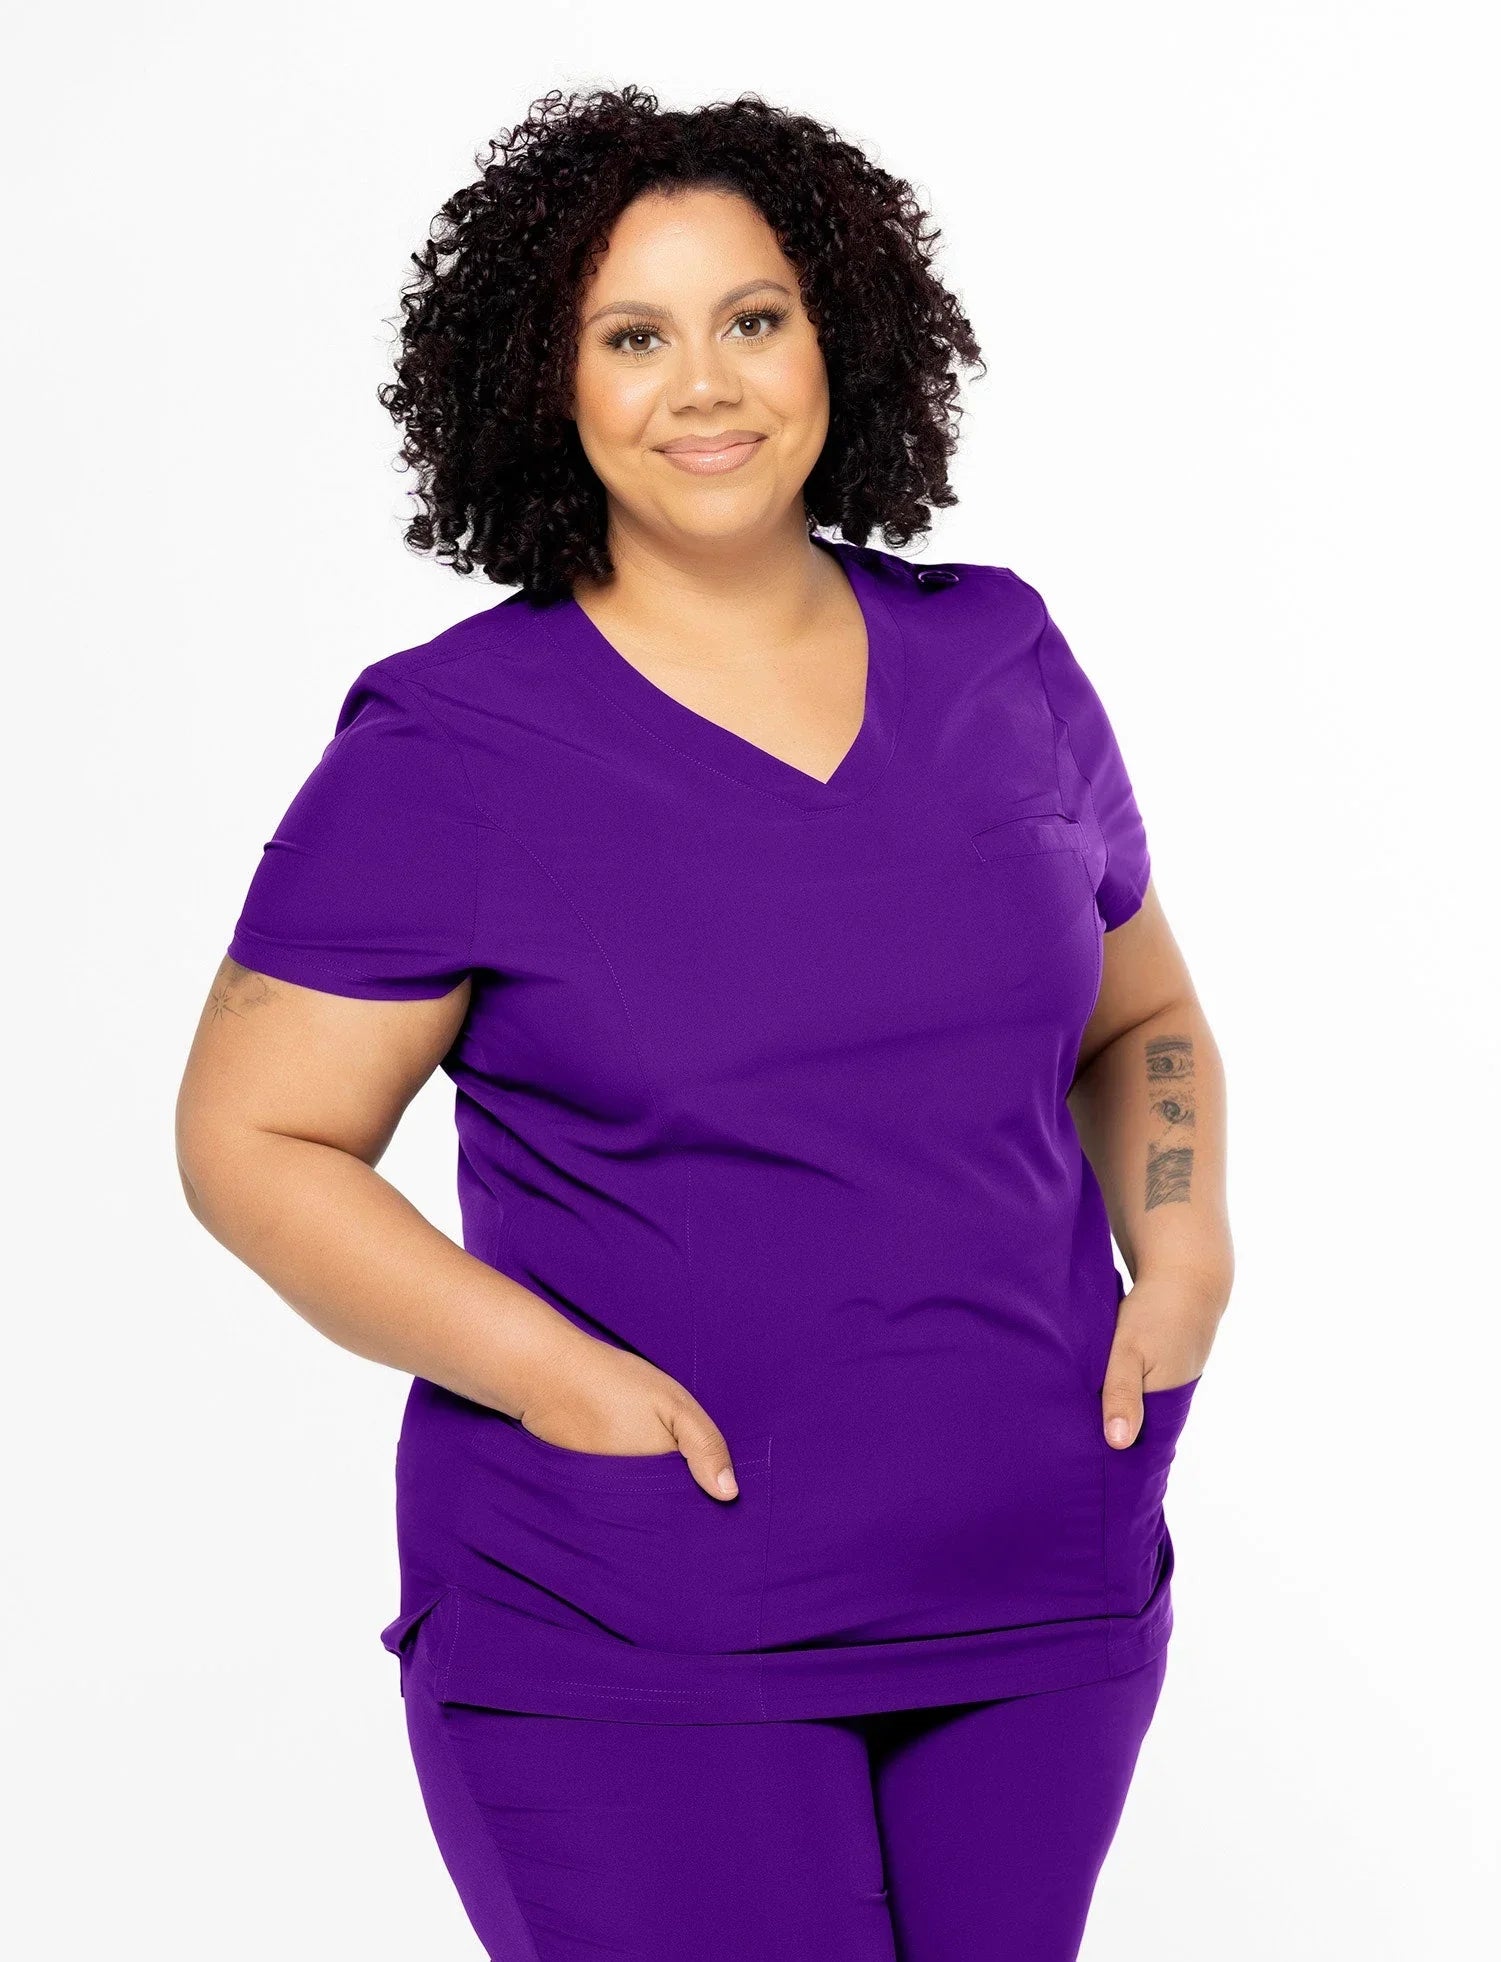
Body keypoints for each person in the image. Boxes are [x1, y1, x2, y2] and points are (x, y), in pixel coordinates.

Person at [176, 83, 1233, 1962]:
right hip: (635, 1612)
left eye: (753, 318)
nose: (708, 384)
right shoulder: (455, 743)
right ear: (547, 386)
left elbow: (1137, 1011)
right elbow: (254, 1141)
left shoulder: (997, 656)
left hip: (1033, 1588)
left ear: (838, 332)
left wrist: (1185, 1253)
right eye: (633, 336)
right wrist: (563, 1383)